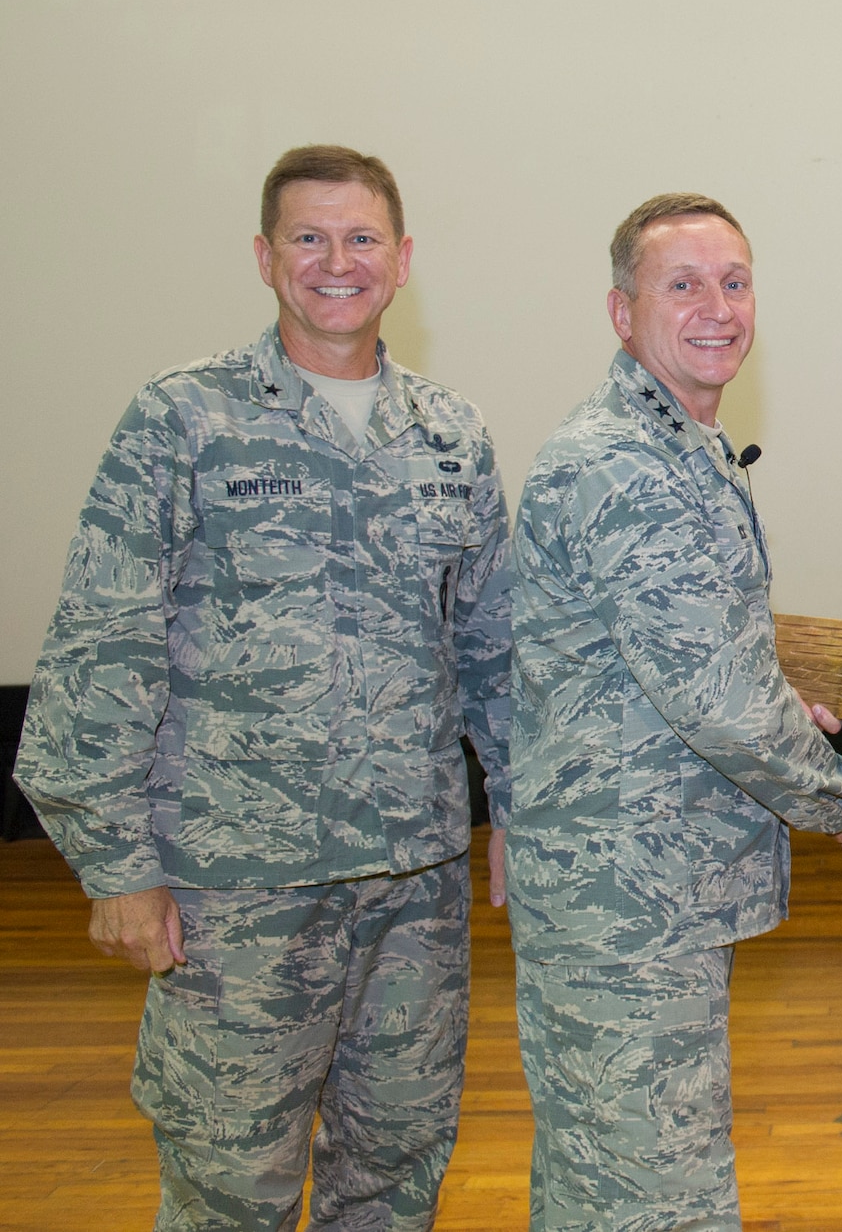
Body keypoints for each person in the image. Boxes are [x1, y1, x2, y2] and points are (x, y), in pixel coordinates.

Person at [14, 144, 512, 1229]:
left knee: (394, 1168)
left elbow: (492, 649)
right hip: (234, 893)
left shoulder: (451, 435)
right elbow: (102, 641)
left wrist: (513, 810)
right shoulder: (184, 419)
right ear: (264, 255)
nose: (337, 261)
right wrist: (117, 865)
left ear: (402, 257)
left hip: (410, 892)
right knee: (227, 1186)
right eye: (308, 236)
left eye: (361, 237)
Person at [503, 192, 842, 1231]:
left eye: (734, 281)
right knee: (653, 1201)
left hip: (637, 892)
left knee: (601, 1184)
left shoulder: (680, 449)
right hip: (629, 905)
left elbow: (694, 669)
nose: (716, 307)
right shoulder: (626, 465)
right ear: (620, 310)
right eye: (681, 284)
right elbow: (718, 704)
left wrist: (778, 704)